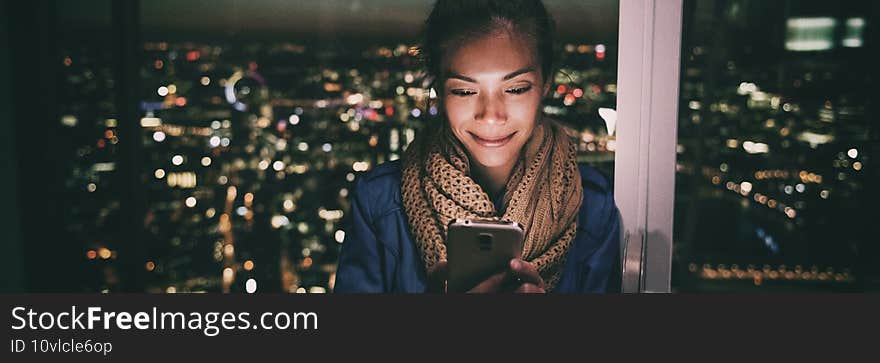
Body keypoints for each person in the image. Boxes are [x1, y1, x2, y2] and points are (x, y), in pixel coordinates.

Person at [334, 0, 620, 293]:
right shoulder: (380, 204)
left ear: (546, 83)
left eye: (516, 89)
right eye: (464, 91)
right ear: (439, 91)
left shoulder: (594, 209)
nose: (491, 115)